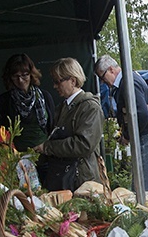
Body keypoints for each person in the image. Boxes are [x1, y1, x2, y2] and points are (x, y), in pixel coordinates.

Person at [95, 54, 148, 192]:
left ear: (111, 70)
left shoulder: (129, 83)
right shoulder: (127, 81)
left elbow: (141, 114)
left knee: (142, 186)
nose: (103, 82)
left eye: (102, 77)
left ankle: (145, 212)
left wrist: (128, 136)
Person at [34, 57, 104, 191]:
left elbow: (84, 145)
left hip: (82, 182)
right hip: (62, 178)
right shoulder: (62, 107)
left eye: (57, 81)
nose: (54, 86)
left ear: (72, 80)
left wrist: (47, 147)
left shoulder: (90, 108)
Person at [0, 53, 55, 151]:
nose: (20, 80)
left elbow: (52, 126)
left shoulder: (45, 96)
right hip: (17, 158)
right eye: (15, 76)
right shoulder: (4, 100)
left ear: (31, 74)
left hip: (45, 155)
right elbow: (2, 131)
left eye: (24, 75)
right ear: (9, 77)